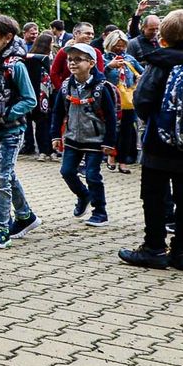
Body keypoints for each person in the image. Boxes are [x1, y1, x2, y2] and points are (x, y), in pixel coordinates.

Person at [119, 9, 183, 272]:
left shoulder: (158, 63)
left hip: (159, 139)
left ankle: (154, 247)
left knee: (155, 194)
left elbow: (142, 101)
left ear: (163, 39)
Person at [0, 13, 39, 249]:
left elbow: (30, 99)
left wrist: (8, 115)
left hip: (11, 131)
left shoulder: (16, 66)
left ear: (7, 38)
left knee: (0, 177)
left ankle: (1, 227)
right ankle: (26, 216)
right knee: (7, 176)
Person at [50, 42, 117, 227]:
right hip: (72, 138)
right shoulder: (66, 87)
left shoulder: (101, 87)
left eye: (78, 60)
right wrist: (55, 135)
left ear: (91, 63)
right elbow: (57, 112)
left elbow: (111, 117)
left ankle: (100, 212)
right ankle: (83, 195)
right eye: (70, 60)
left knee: (93, 176)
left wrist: (110, 142)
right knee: (67, 171)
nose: (72, 63)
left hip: (96, 139)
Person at [102, 30, 142, 173]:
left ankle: (123, 161)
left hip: (128, 100)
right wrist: (109, 67)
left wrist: (138, 79)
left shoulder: (130, 59)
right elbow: (97, 75)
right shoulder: (104, 59)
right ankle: (111, 156)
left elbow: (142, 72)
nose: (119, 48)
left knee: (127, 130)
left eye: (122, 45)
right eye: (116, 45)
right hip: (111, 99)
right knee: (113, 130)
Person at [23, 33, 55, 159]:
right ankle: (47, 150)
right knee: (45, 123)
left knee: (40, 124)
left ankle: (43, 150)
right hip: (43, 95)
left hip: (34, 94)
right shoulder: (43, 59)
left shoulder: (29, 58)